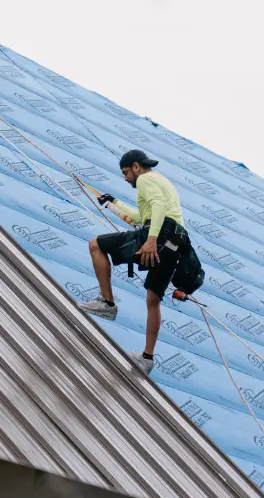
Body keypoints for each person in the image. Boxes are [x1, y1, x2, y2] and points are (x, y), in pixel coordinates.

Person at [78, 149, 190, 376]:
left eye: (126, 172)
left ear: (137, 167)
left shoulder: (146, 180)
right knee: (153, 298)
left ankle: (107, 303)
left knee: (95, 245)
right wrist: (112, 203)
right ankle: (147, 358)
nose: (125, 177)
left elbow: (157, 208)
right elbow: (142, 216)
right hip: (175, 242)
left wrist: (150, 241)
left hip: (159, 235)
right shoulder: (161, 181)